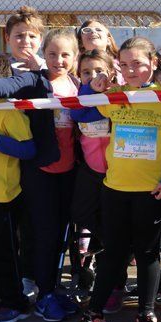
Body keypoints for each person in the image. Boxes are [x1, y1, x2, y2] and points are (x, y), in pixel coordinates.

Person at [68, 36, 161, 322]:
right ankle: (95, 313)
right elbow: (78, 113)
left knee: (147, 252)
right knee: (113, 253)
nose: (131, 70)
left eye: (139, 64)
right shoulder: (115, 94)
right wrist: (93, 88)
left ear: (154, 64)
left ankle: (146, 313)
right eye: (126, 64)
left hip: (151, 191)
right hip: (114, 188)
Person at [0, 28, 81, 322]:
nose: (59, 60)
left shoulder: (78, 84)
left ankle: (55, 288)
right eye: (52, 54)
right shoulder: (35, 80)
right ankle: (44, 292)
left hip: (70, 171)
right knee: (43, 235)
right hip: (41, 171)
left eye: (65, 55)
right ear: (42, 56)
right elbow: (2, 84)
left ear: (75, 57)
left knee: (61, 234)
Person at [0, 53, 36, 322]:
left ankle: (15, 302)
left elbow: (28, 149)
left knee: (3, 253)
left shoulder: (9, 112)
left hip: (0, 195)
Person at [69, 50, 116, 294]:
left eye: (99, 71)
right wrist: (89, 91)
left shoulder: (116, 95)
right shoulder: (82, 93)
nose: (93, 77)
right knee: (80, 211)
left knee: (114, 217)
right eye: (86, 73)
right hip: (90, 168)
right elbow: (77, 113)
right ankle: (109, 243)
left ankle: (117, 250)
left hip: (117, 171)